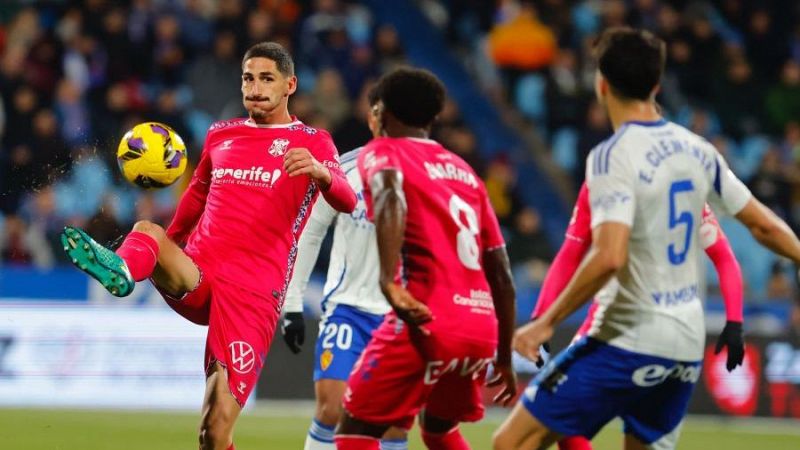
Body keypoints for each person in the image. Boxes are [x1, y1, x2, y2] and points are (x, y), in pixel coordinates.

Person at [492, 27, 800, 450]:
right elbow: (764, 225)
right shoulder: (698, 150)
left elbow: (609, 256)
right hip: (686, 345)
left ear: (601, 84)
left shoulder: (612, 155)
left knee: (511, 444)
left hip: (627, 337)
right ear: (656, 84)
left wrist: (544, 322)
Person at [59, 42, 357, 450]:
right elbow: (193, 202)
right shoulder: (222, 135)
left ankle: (131, 266)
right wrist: (164, 250)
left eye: (266, 79)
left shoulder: (314, 143)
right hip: (198, 272)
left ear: (290, 85)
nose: (255, 87)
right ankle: (124, 271)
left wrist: (322, 173)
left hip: (252, 294)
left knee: (213, 432)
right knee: (148, 229)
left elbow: (347, 199)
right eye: (248, 78)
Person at [334, 67, 518, 450]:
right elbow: (501, 274)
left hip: (428, 317)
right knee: (438, 428)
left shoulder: (382, 151)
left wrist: (387, 281)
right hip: (480, 327)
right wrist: (503, 355)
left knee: (354, 429)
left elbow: (387, 194)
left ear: (383, 113)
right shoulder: (465, 172)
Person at [528, 184, 745, 450]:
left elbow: (571, 253)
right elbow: (725, 258)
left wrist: (542, 319)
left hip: (614, 326)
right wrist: (734, 321)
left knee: (556, 413)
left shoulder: (603, 178)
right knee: (565, 418)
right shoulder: (684, 184)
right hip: (676, 335)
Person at [282, 87, 408, 450]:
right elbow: (310, 232)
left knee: (394, 426)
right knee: (333, 408)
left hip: (401, 314)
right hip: (348, 310)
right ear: (371, 119)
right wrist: (292, 303)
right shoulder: (346, 167)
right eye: (381, 115)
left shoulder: (425, 174)